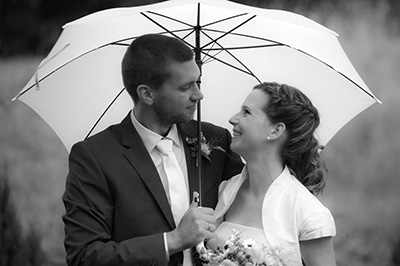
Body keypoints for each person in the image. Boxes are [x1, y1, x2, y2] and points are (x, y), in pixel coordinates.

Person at [62, 34, 244, 266]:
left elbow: (247, 216)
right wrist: (172, 241)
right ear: (147, 94)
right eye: (185, 87)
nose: (198, 95)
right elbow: (85, 257)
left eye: (198, 82)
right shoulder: (95, 158)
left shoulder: (217, 140)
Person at [211, 82, 336, 266]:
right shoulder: (225, 190)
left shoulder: (309, 214)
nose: (233, 119)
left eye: (246, 112)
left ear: (275, 130)